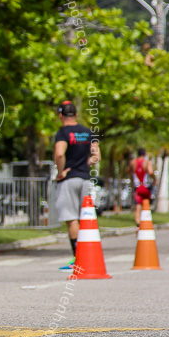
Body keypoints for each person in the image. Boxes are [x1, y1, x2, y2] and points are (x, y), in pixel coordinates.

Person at [53, 100, 100, 268]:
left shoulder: (63, 133)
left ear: (60, 115)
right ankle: (89, 256)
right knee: (85, 218)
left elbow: (59, 154)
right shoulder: (87, 132)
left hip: (69, 179)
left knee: (71, 218)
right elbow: (97, 156)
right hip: (86, 180)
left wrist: (61, 172)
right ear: (76, 115)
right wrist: (87, 162)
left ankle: (78, 258)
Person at [129, 148, 155, 225]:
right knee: (146, 204)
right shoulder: (147, 162)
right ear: (145, 154)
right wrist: (154, 179)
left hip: (137, 187)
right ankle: (146, 221)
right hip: (145, 187)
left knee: (138, 205)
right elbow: (150, 172)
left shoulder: (133, 162)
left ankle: (138, 223)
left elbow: (128, 170)